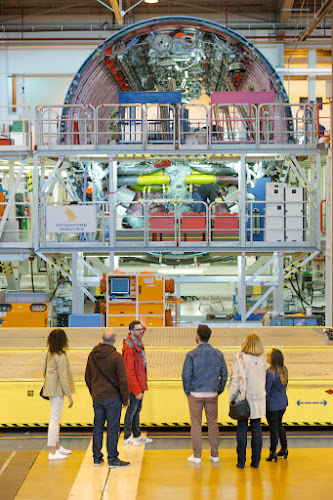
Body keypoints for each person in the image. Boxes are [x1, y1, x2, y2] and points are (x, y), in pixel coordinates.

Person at [182, 324, 228, 464]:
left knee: (196, 424)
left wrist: (188, 391)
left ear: (198, 336)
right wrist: (218, 389)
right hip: (212, 393)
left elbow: (186, 375)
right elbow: (224, 374)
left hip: (195, 394)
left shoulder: (191, 355)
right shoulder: (218, 354)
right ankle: (215, 455)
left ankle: (197, 456)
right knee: (212, 423)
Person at [85, 329, 130, 468]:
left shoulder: (92, 355)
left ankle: (97, 458)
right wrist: (125, 399)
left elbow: (87, 377)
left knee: (97, 427)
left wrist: (94, 392)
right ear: (114, 340)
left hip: (97, 397)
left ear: (102, 339)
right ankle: (112, 459)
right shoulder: (116, 357)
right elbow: (123, 380)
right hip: (113, 398)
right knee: (112, 428)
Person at [229, 334, 266, 469]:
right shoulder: (262, 360)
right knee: (257, 429)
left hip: (244, 399)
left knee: (242, 428)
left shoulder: (240, 359)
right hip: (259, 398)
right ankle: (256, 462)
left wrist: (231, 397)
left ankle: (241, 462)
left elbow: (235, 381)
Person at [43, 328, 75, 461]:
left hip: (51, 389)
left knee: (55, 419)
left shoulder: (50, 353)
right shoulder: (60, 356)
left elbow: (44, 371)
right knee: (54, 421)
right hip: (57, 390)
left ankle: (57, 446)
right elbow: (63, 377)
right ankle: (52, 451)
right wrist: (69, 395)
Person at [122, 320, 153, 446]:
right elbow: (129, 372)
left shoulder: (137, 342)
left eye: (142, 329)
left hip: (140, 383)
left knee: (137, 409)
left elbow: (142, 330)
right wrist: (136, 390)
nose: (141, 332)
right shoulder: (130, 348)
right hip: (133, 386)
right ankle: (127, 437)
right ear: (131, 331)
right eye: (138, 330)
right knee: (131, 410)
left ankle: (137, 434)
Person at [266, 348, 288, 461]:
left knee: (273, 428)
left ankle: (272, 451)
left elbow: (267, 391)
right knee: (279, 425)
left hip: (272, 405)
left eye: (269, 356)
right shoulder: (284, 370)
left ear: (273, 359)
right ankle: (284, 448)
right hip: (282, 403)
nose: (267, 357)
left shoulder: (270, 373)